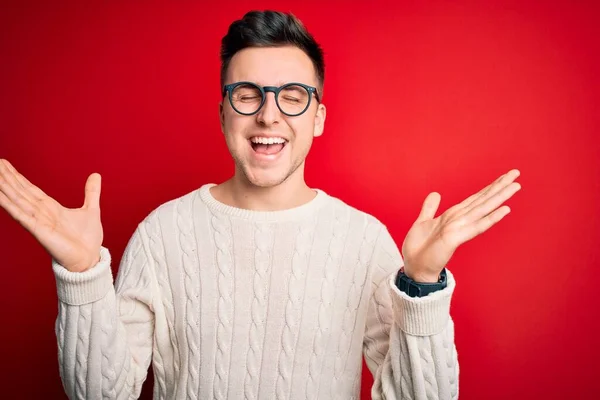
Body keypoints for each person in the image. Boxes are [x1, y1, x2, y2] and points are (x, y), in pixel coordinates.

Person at [0, 10, 522, 400]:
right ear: (224, 113)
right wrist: (82, 274)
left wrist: (423, 283)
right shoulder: (162, 233)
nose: (269, 115)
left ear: (317, 117)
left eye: (292, 95)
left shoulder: (363, 241)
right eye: (247, 94)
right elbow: (101, 394)